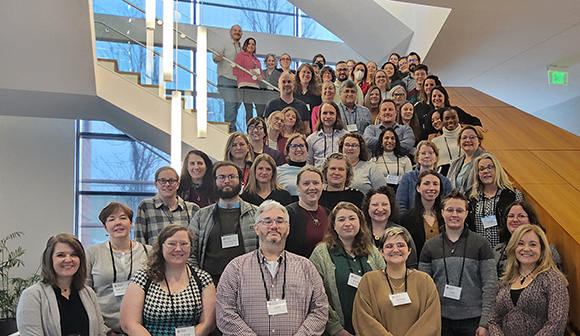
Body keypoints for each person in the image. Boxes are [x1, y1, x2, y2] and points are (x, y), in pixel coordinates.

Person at [216, 200, 329, 336]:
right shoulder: (235, 268)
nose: (274, 226)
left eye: (280, 221)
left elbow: (320, 310)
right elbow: (224, 314)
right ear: (256, 228)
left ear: (288, 228)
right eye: (267, 221)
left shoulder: (306, 267)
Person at [419, 190, 497, 336]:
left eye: (459, 210)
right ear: (442, 212)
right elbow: (423, 288)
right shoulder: (430, 246)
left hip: (473, 321)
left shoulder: (481, 244)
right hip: (439, 319)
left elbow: (490, 285)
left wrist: (485, 322)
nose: (454, 214)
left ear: (466, 213)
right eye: (450, 210)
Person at [120, 225, 216, 336]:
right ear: (161, 247)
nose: (178, 249)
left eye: (184, 244)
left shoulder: (203, 279)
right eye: (172, 244)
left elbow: (208, 323)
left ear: (191, 247)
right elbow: (129, 323)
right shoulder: (143, 277)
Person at [310, 202, 386, 336]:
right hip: (337, 331)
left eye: (352, 218)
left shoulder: (372, 251)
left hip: (373, 329)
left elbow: (385, 286)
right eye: (341, 219)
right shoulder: (321, 253)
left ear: (360, 222)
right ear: (333, 225)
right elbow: (316, 297)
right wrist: (337, 329)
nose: (347, 223)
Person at [352, 226, 441, 336]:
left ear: (409, 251)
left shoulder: (424, 281)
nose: (395, 250)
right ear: (381, 252)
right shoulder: (369, 281)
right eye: (389, 246)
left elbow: (431, 322)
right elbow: (364, 321)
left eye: (400, 245)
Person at [17, 233, 107, 336]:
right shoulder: (32, 296)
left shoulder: (88, 293)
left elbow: (100, 333)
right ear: (49, 259)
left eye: (74, 254)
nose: (68, 260)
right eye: (61, 255)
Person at [488, 225, 569, 336]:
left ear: (542, 249)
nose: (526, 249)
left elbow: (557, 323)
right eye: (520, 243)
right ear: (514, 248)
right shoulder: (505, 281)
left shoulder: (552, 279)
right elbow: (492, 320)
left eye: (532, 244)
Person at [188, 161, 258, 284]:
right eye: (221, 177)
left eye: (231, 176)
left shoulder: (257, 214)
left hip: (248, 283)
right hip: (210, 284)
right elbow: (190, 252)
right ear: (215, 181)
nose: (226, 181)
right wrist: (200, 282)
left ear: (241, 181)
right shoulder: (201, 216)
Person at [86, 202, 150, 335]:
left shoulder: (148, 252)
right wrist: (105, 330)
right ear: (105, 226)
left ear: (131, 223)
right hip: (103, 329)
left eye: (123, 218)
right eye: (111, 219)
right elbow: (85, 294)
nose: (118, 223)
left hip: (142, 329)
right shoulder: (93, 253)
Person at [494, 201, 562, 278]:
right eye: (511, 216)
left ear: (531, 219)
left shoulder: (547, 249)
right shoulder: (498, 250)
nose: (515, 220)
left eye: (521, 216)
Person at [467, 153, 523, 247]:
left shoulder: (513, 195)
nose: (486, 171)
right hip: (479, 251)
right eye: (481, 169)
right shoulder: (471, 197)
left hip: (506, 249)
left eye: (490, 167)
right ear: (477, 174)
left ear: (497, 170)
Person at [135, 166, 199, 245]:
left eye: (172, 181)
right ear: (156, 184)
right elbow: (139, 240)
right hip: (155, 257)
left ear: (178, 184)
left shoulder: (192, 209)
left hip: (184, 257)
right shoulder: (146, 207)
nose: (167, 184)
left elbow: (197, 242)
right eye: (163, 181)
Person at [361, 186, 418, 267]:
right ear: (367, 208)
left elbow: (412, 264)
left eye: (384, 204)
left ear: (391, 207)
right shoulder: (360, 232)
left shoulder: (402, 232)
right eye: (375, 205)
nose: (380, 209)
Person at [286, 166, 330, 257]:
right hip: (297, 268)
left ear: (322, 186)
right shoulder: (288, 214)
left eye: (316, 183)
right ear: (298, 187)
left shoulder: (328, 213)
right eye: (306, 183)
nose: (312, 187)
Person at [396, 140, 453, 212]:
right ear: (417, 157)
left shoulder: (445, 181)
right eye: (423, 153)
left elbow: (449, 205)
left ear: (436, 157)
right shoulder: (407, 178)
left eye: (430, 153)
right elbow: (400, 205)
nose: (427, 156)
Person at [400, 170, 445, 256]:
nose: (431, 188)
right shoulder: (406, 218)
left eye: (435, 184)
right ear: (418, 188)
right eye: (426, 183)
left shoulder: (446, 216)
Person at [213, 24, 243, 132]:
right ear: (230, 32)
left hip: (239, 81)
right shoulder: (223, 43)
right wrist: (218, 57)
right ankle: (230, 130)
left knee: (236, 105)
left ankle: (231, 126)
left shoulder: (242, 48)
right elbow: (216, 58)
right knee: (230, 104)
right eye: (235, 30)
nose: (237, 32)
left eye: (239, 31)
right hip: (226, 78)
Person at [233, 37, 265, 123]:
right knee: (249, 109)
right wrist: (250, 72)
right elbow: (236, 70)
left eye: (253, 44)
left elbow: (262, 73)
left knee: (260, 108)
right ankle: (249, 128)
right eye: (249, 44)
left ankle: (260, 126)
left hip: (255, 86)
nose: (251, 46)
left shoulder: (256, 59)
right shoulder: (241, 55)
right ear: (245, 45)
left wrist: (260, 77)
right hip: (245, 85)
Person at [307, 101, 347, 168]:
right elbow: (308, 164)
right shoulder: (311, 139)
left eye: (331, 113)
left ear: (337, 115)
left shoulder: (346, 137)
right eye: (325, 113)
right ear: (320, 116)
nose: (328, 116)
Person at [447, 125, 486, 192]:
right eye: (464, 138)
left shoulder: (486, 159)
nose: (468, 140)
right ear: (459, 142)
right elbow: (447, 185)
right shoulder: (455, 163)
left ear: (479, 141)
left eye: (472, 137)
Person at [431, 107, 463, 175]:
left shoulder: (467, 139)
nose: (450, 121)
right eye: (447, 118)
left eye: (453, 117)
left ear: (458, 118)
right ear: (442, 121)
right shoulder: (435, 142)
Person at [277, 133, 308, 199]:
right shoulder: (278, 171)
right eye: (294, 146)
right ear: (288, 151)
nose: (299, 149)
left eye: (302, 145)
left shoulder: (313, 171)